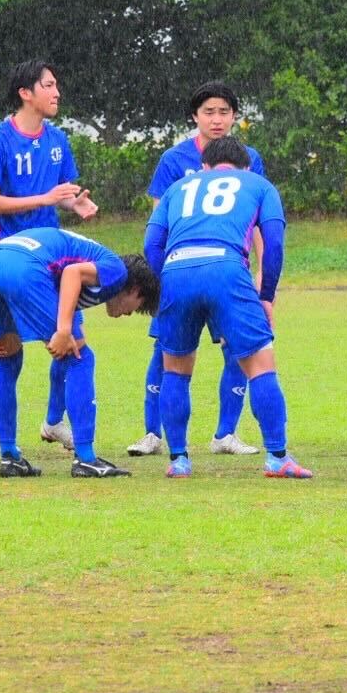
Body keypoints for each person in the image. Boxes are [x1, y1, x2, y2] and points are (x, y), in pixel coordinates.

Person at [143, 136, 313, 480]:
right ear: (245, 166)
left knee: (175, 368)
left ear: (204, 166)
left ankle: (179, 459)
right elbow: (274, 244)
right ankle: (277, 456)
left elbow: (151, 242)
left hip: (177, 270)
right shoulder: (259, 184)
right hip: (227, 269)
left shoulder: (180, 187)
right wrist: (265, 295)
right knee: (260, 363)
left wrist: (166, 282)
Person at [128, 81, 266, 458]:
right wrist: (159, 277)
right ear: (194, 117)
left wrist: (261, 272)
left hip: (229, 270)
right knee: (166, 350)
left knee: (237, 349)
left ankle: (226, 433)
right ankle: (152, 433)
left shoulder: (248, 157)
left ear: (235, 116)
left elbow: (258, 220)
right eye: (209, 112)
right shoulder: (174, 160)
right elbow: (159, 218)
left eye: (224, 112)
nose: (217, 119)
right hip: (179, 272)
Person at [0, 61, 99, 455]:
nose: (56, 92)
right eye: (48, 85)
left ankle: (53, 421)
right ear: (26, 93)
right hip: (10, 259)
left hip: (52, 261)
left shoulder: (59, 140)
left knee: (70, 340)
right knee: (4, 347)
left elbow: (64, 194)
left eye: (56, 84)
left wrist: (77, 204)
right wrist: (45, 198)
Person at [0, 228, 159, 477]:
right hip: (23, 269)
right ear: (135, 289)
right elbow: (72, 273)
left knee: (7, 357)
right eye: (138, 307)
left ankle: (9, 457)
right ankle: (85, 458)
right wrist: (62, 330)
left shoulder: (90, 254)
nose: (128, 314)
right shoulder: (117, 270)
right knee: (80, 358)